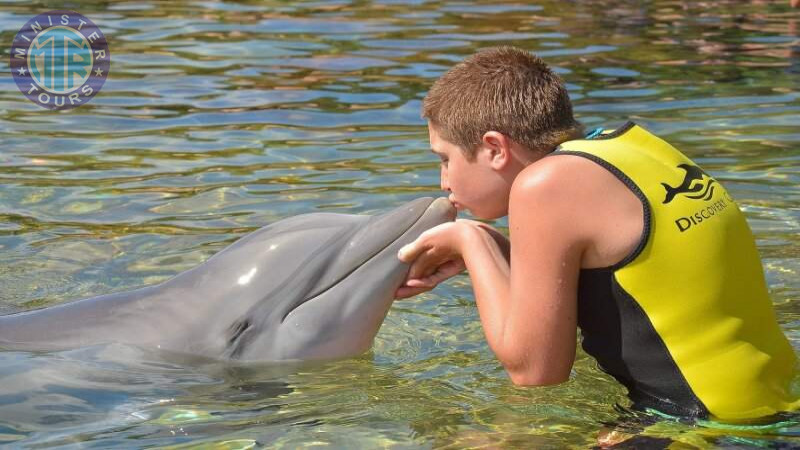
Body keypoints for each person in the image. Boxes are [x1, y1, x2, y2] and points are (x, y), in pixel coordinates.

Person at [394, 46, 799, 422]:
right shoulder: (630, 148)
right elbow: (626, 279)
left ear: (495, 148)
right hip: (774, 397)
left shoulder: (544, 185)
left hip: (711, 426)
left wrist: (471, 240)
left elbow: (535, 371)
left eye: (445, 160)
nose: (443, 181)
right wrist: (494, 251)